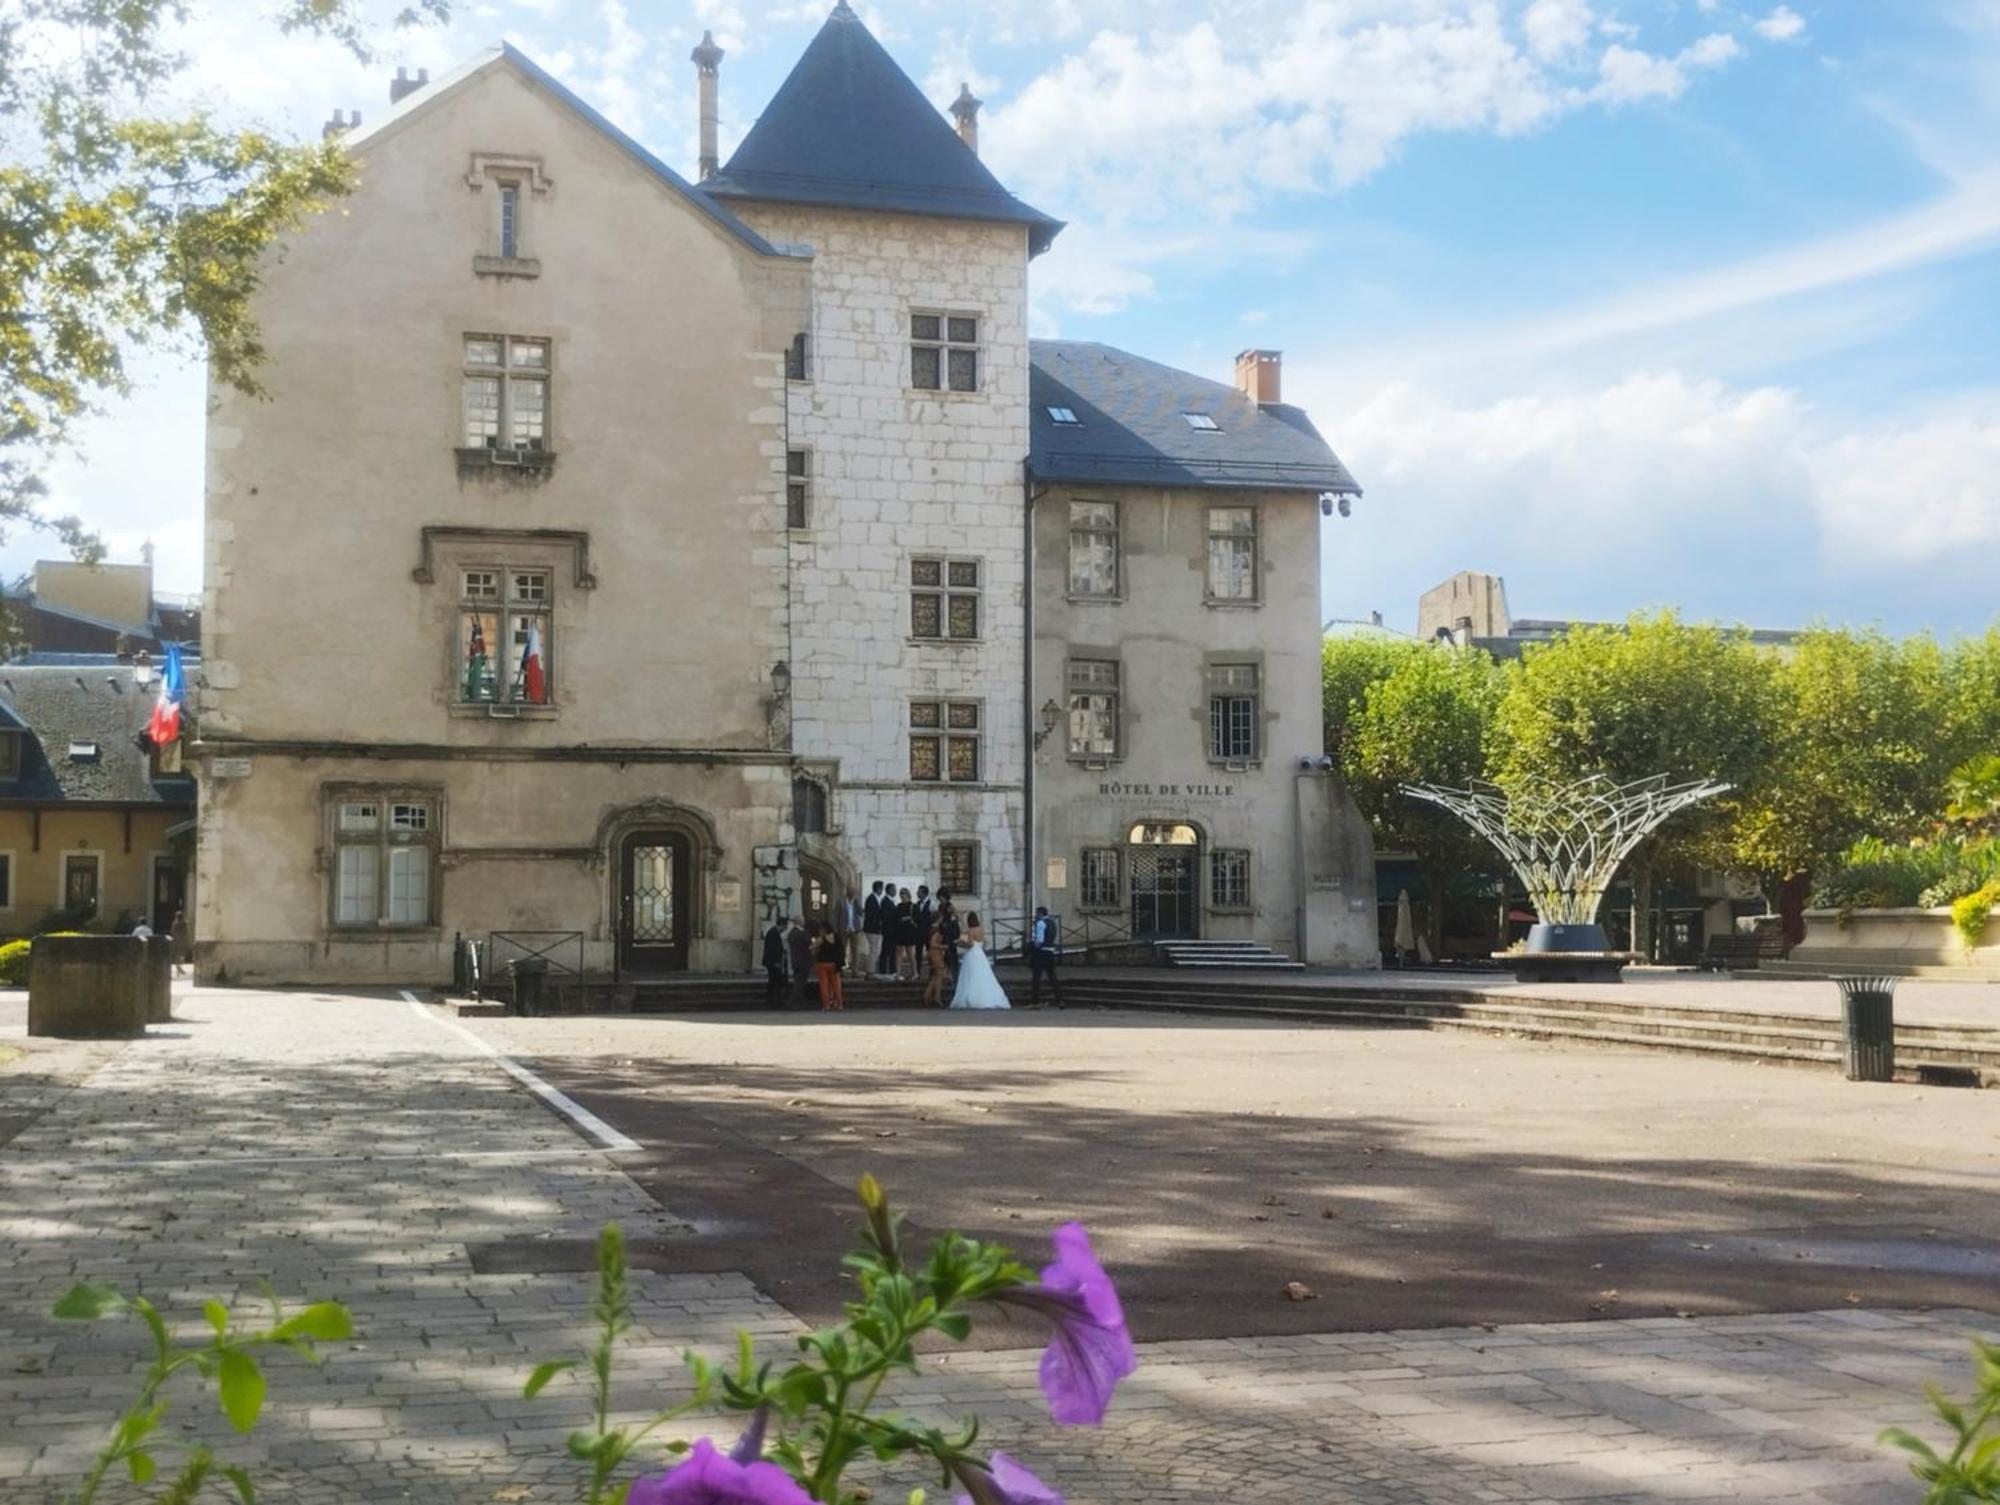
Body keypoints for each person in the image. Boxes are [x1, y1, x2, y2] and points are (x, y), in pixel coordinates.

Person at [948, 910, 1011, 1010]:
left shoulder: (971, 930)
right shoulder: (980, 929)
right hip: (980, 954)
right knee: (983, 974)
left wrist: (960, 943)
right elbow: (984, 942)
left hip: (972, 954)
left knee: (970, 976)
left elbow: (970, 944)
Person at [1027, 905, 1063, 1009]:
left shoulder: (1040, 923)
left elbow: (1039, 942)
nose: (1036, 916)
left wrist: (1030, 946)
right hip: (1050, 952)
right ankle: (1060, 1000)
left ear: (1040, 913)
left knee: (1036, 978)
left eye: (1037, 914)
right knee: (1052, 977)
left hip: (1041, 953)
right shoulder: (1052, 922)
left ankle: (1035, 1002)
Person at [922, 904, 952, 1007]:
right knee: (939, 976)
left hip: (932, 954)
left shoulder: (930, 929)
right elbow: (933, 944)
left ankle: (927, 995)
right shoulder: (936, 931)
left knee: (935, 976)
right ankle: (937, 997)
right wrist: (943, 946)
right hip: (936, 954)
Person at [933, 899, 962, 1004]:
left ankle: (935, 995)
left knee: (946, 972)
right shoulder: (945, 924)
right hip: (947, 948)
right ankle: (941, 996)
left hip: (949, 948)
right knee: (946, 972)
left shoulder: (947, 923)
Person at [815, 924, 846, 1012]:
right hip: (833, 964)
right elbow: (841, 950)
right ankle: (839, 1004)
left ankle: (826, 1005)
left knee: (824, 986)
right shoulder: (836, 937)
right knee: (836, 985)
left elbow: (811, 947)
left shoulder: (821, 939)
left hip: (822, 964)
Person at [787, 914, 814, 1010]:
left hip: (796, 962)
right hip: (804, 962)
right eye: (803, 920)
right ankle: (791, 1002)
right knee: (800, 984)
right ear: (799, 922)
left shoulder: (791, 933)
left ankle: (800, 1003)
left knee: (799, 983)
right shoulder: (802, 934)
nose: (804, 921)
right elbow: (810, 944)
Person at [761, 917, 789, 1008]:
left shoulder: (773, 932)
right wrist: (776, 962)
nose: (785, 929)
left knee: (773, 980)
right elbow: (773, 949)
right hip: (773, 962)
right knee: (775, 981)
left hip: (772, 961)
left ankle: (772, 999)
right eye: (785, 927)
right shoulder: (774, 933)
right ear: (782, 925)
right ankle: (774, 1000)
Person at [838, 891, 865, 978]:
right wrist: (836, 928)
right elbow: (836, 914)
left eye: (854, 892)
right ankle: (840, 970)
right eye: (851, 891)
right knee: (842, 950)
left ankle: (855, 971)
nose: (853, 894)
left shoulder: (856, 901)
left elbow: (861, 913)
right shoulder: (840, 901)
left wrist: (858, 903)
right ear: (847, 892)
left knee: (855, 951)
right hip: (844, 929)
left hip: (854, 929)